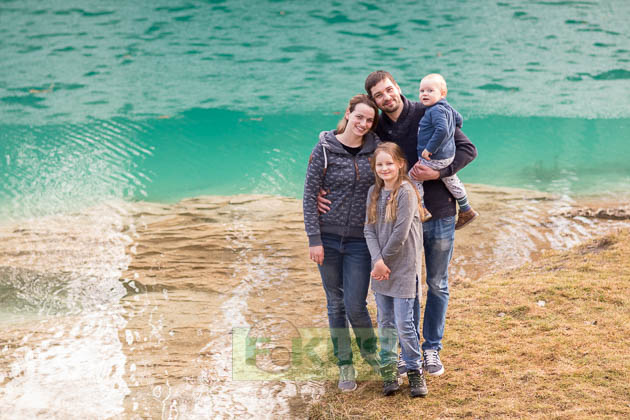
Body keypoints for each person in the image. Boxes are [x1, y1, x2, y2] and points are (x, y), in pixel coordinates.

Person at [318, 71, 477, 377]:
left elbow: (468, 150)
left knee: (436, 283)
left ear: (398, 88)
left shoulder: (427, 111)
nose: (386, 97)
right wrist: (323, 189)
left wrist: (439, 174)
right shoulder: (378, 128)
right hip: (402, 221)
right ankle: (408, 353)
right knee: (408, 286)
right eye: (379, 95)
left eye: (389, 90)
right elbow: (347, 141)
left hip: (439, 211)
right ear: (375, 102)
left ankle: (432, 347)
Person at [303, 94, 380, 392]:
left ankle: (371, 354)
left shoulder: (374, 150)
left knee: (356, 304)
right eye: (358, 116)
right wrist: (314, 239)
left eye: (369, 120)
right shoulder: (323, 149)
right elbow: (310, 196)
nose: (362, 123)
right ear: (348, 114)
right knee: (335, 303)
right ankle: (344, 364)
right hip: (328, 240)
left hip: (360, 241)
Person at [364, 142, 428, 398]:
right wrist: (376, 260)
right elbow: (369, 228)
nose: (384, 168)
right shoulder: (373, 192)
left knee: (404, 323)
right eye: (380, 164)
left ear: (400, 164)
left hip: (401, 267)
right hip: (380, 267)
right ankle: (389, 370)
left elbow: (401, 233)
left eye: (389, 163)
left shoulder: (406, 191)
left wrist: (383, 262)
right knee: (385, 322)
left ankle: (414, 369)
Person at [414, 73, 478, 229]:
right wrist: (457, 126)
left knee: (414, 177)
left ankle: (421, 208)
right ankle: (466, 208)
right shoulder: (447, 107)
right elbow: (459, 118)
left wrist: (429, 149)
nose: (425, 94)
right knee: (451, 179)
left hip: (435, 157)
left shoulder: (434, 111)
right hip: (448, 156)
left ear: (442, 93)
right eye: (422, 91)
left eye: (430, 91)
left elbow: (442, 130)